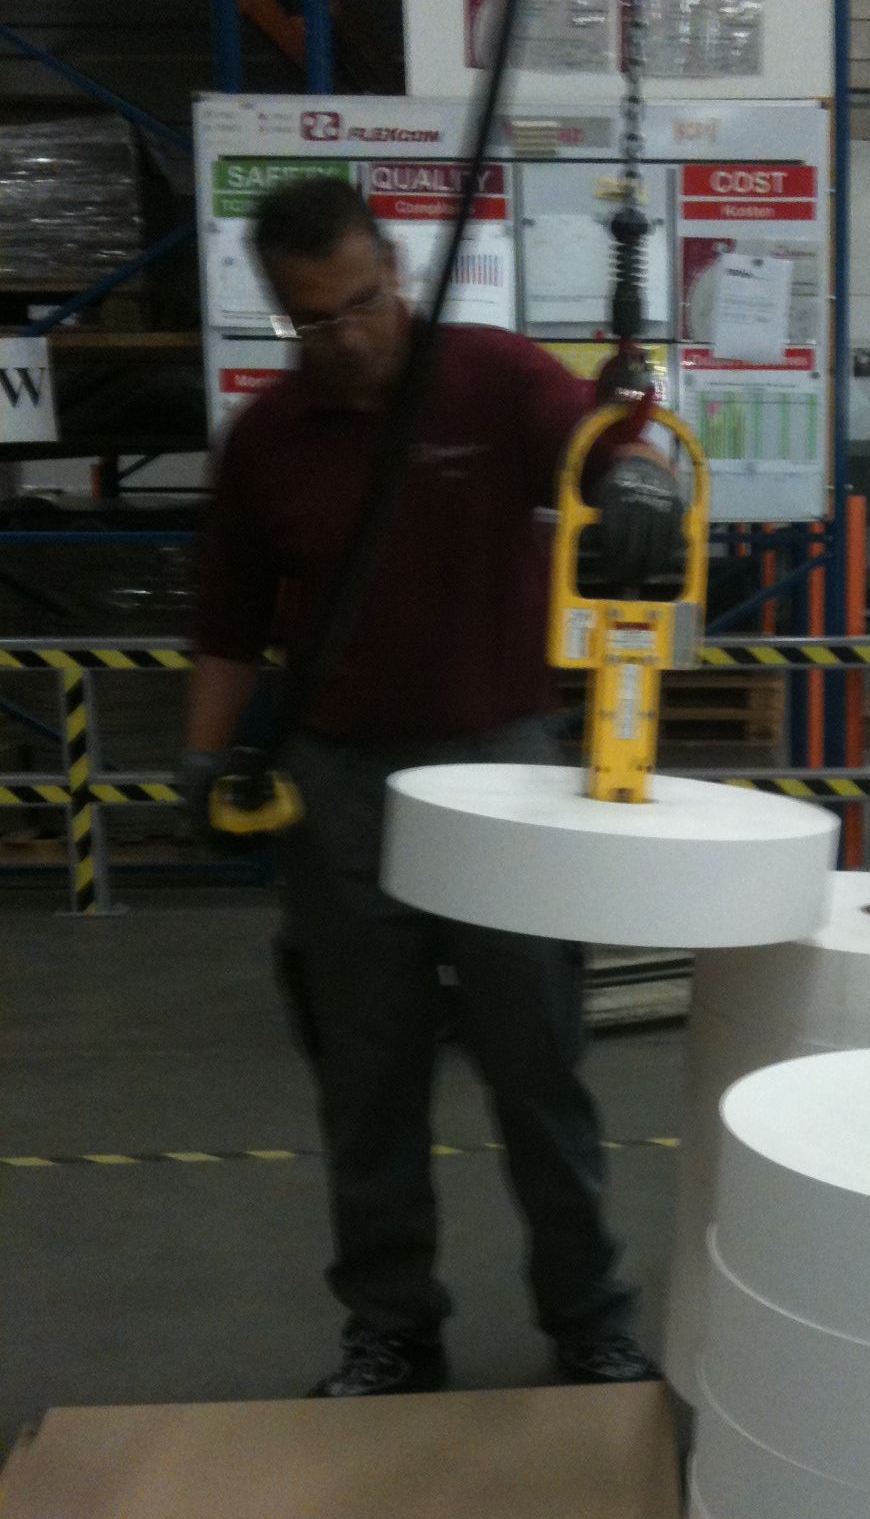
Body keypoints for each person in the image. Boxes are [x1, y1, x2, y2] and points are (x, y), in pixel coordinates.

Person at [185, 175, 661, 1397]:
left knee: (538, 1065)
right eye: (312, 319)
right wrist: (201, 759)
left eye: (359, 303)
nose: (345, 336)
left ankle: (589, 1319)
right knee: (368, 1077)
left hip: (503, 767)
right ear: (278, 309)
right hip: (342, 788)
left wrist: (637, 477)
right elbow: (229, 625)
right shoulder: (267, 440)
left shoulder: (490, 378)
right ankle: (393, 1329)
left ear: (394, 269)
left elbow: (607, 447)